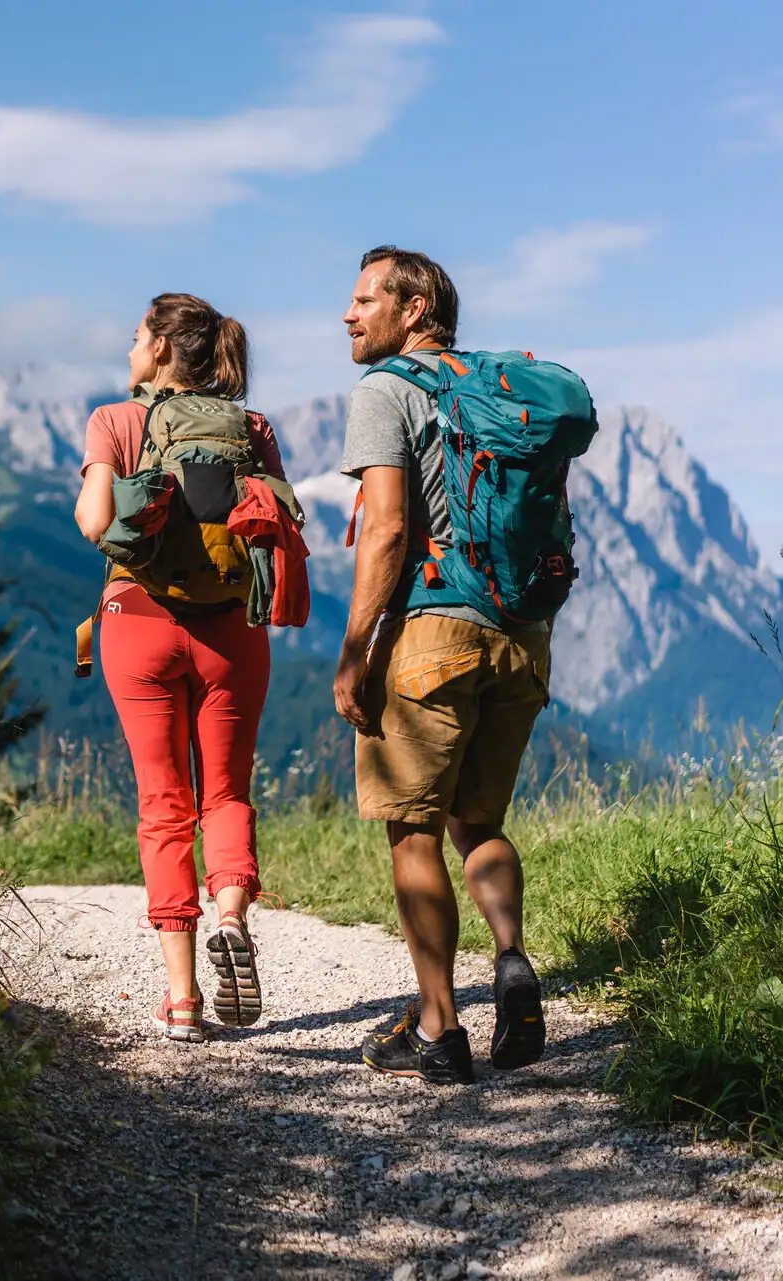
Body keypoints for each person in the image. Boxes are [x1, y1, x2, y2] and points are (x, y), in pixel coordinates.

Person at [333, 247, 550, 1085]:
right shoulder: (497, 390)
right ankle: (511, 958)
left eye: (362, 301)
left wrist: (356, 651)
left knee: (413, 828)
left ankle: (438, 1027)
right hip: (519, 636)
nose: (348, 316)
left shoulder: (384, 390)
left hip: (430, 634)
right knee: (480, 824)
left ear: (413, 308)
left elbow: (385, 528)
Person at [74, 293, 294, 1042]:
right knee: (225, 792)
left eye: (137, 337)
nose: (130, 348)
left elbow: (95, 523)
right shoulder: (251, 427)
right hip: (231, 628)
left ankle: (182, 999)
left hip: (136, 623)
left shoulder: (116, 419)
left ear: (164, 349)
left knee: (161, 803)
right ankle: (230, 912)